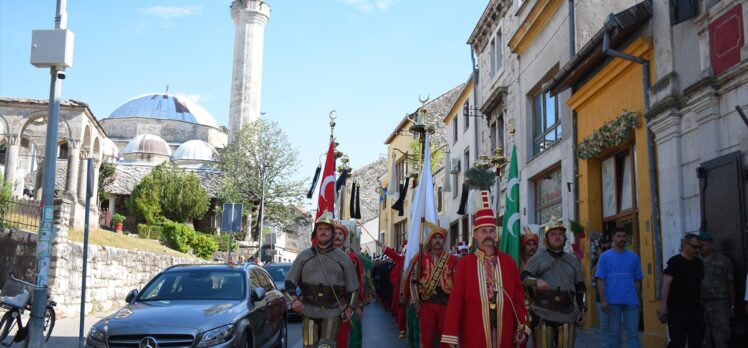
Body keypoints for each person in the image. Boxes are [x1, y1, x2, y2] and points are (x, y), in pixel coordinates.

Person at [441, 190, 529, 347]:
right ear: (475, 234)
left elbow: (518, 298)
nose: (488, 235)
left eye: (491, 231)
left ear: (496, 234)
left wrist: (523, 325)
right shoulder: (465, 263)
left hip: (505, 329)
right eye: (484, 231)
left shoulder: (508, 262)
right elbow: (456, 301)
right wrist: (450, 335)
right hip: (474, 330)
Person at [285, 212, 359, 348]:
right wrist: (294, 300)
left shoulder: (343, 258)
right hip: (308, 309)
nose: (323, 232)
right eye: (320, 229)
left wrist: (349, 308)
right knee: (310, 346)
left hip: (333, 310)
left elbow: (353, 287)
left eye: (326, 229)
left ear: (332, 233)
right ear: (315, 232)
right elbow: (289, 282)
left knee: (326, 346)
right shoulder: (304, 256)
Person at [522, 219, 586, 348]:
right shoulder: (538, 258)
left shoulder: (573, 260)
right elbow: (523, 278)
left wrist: (583, 309)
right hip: (542, 313)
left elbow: (581, 287)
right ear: (547, 238)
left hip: (568, 314)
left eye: (560, 234)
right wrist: (535, 282)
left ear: (565, 238)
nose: (557, 237)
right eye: (553, 234)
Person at [408, 224, 458, 348]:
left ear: (444, 241)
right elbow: (413, 281)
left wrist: (456, 306)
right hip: (427, 304)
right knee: (426, 339)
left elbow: (458, 285)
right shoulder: (421, 258)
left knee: (446, 339)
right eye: (435, 237)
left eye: (440, 238)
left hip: (446, 304)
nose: (437, 240)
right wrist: (416, 303)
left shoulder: (453, 259)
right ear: (430, 240)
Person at [595, 227, 642, 348]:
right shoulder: (605, 257)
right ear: (613, 238)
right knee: (614, 335)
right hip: (612, 302)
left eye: (624, 236)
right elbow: (600, 280)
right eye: (619, 236)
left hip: (631, 302)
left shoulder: (634, 257)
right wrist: (603, 300)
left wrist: (637, 299)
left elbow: (637, 280)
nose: (622, 238)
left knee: (633, 334)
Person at [656, 233, 704, 348]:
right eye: (695, 247)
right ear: (685, 245)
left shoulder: (698, 263)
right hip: (677, 309)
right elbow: (666, 285)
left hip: (695, 309)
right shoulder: (674, 262)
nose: (697, 250)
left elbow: (700, 285)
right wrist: (663, 306)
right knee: (678, 341)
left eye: (700, 247)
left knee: (697, 341)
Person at [698, 232, 735, 348]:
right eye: (698, 246)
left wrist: (733, 305)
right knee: (703, 337)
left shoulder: (723, 261)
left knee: (721, 336)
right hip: (700, 303)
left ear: (711, 245)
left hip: (719, 303)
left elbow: (730, 283)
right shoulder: (695, 261)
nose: (700, 248)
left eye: (702, 245)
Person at [334, 222, 365, 348]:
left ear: (344, 237)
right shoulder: (322, 256)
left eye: (340, 233)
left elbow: (356, 284)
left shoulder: (352, 258)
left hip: (344, 305)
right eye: (335, 233)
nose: (337, 236)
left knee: (342, 341)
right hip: (324, 307)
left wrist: (356, 306)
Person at [377, 239, 407, 339]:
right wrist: (382, 245)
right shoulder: (402, 260)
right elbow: (394, 255)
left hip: (416, 291)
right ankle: (402, 329)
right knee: (401, 309)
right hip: (403, 289)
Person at [592, 232, 612, 348]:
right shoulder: (597, 261)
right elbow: (592, 275)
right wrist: (601, 258)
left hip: (616, 299)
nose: (606, 250)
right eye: (604, 248)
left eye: (609, 247)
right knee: (604, 326)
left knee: (616, 327)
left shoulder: (615, 258)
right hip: (601, 299)